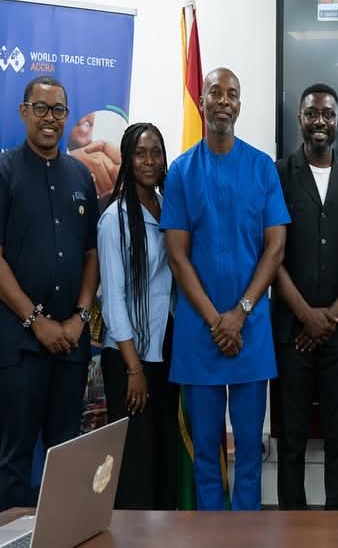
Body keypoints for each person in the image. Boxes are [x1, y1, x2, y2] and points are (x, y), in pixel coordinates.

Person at [161, 67, 290, 511]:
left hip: (250, 331)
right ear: (202, 102)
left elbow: (275, 248)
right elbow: (177, 256)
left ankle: (246, 535)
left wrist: (240, 312)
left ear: (239, 105)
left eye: (232, 94)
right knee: (206, 456)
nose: (223, 100)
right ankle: (210, 536)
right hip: (200, 334)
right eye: (215, 92)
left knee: (251, 452)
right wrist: (217, 320)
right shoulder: (181, 171)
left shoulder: (262, 167)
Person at [0, 76, 100, 511]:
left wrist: (80, 317)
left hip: (71, 347)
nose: (50, 118)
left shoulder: (81, 175)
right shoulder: (5, 171)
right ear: (23, 112)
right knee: (14, 457)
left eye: (58, 110)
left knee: (67, 457)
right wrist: (35, 321)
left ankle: (62, 536)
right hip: (20, 345)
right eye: (40, 108)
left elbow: (91, 254)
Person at [272, 84, 338, 510]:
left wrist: (330, 318)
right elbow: (271, 256)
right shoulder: (277, 175)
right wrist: (306, 316)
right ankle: (291, 525)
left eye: (328, 114)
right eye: (312, 113)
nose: (320, 122)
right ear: (299, 119)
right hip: (291, 331)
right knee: (292, 437)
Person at [97, 122, 177, 510]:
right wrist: (134, 369)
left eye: (156, 153)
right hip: (129, 359)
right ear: (128, 161)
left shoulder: (170, 209)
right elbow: (113, 300)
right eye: (140, 153)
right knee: (137, 465)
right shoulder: (114, 219)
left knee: (164, 458)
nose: (149, 161)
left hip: (166, 352)